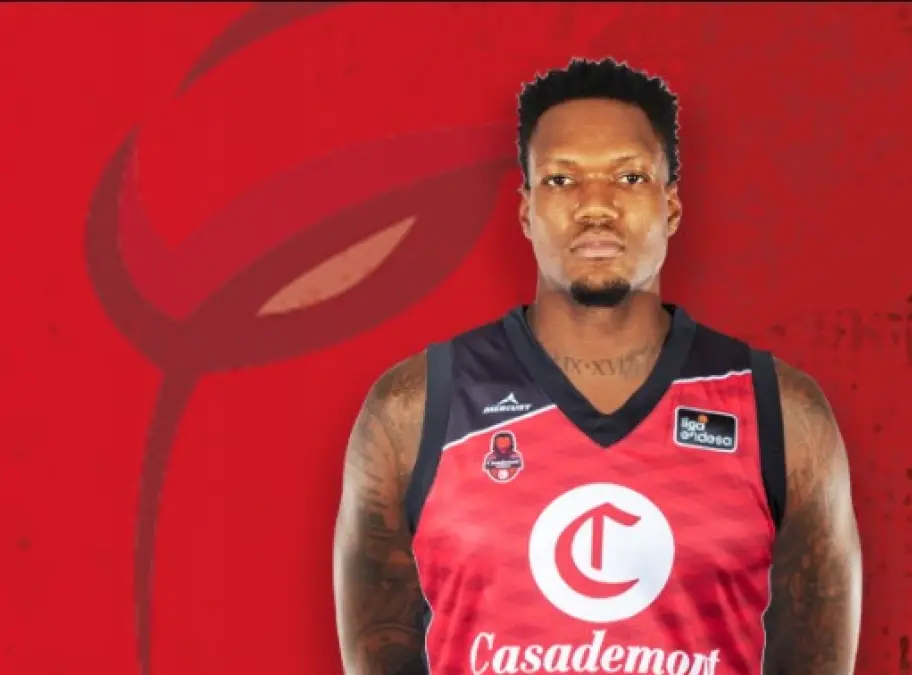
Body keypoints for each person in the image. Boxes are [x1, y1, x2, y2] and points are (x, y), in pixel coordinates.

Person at [332, 57, 863, 675]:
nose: (596, 206)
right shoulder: (416, 409)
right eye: (561, 180)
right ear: (526, 210)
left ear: (671, 207)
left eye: (629, 177)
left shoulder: (778, 413)